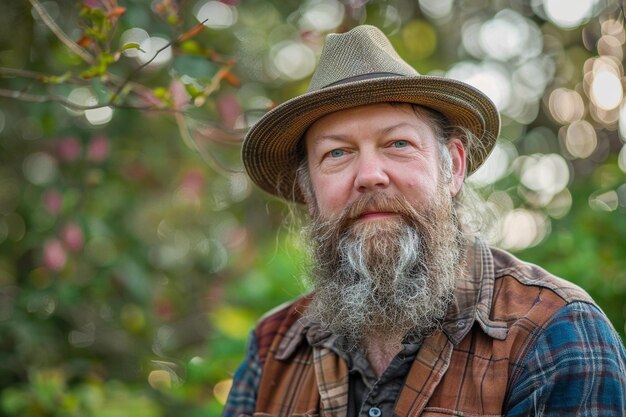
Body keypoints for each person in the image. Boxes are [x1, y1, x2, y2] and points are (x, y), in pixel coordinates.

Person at [223, 25, 626, 416]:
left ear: (451, 167)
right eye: (337, 153)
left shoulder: (555, 332)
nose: (369, 175)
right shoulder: (273, 346)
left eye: (398, 144)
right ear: (309, 193)